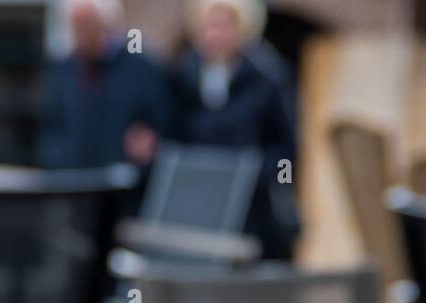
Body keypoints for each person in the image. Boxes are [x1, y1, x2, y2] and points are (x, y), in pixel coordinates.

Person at [170, 0, 298, 259]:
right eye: (210, 26)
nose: (216, 35)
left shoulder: (266, 78)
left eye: (225, 26)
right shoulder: (183, 77)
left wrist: (257, 173)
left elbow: (286, 148)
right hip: (201, 201)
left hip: (253, 207)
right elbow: (174, 134)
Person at [38, 0, 170, 170]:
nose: (80, 34)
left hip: (124, 178)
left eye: (86, 25)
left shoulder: (141, 69)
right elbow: (53, 127)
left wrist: (148, 143)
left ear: (106, 24)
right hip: (75, 178)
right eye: (75, 26)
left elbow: (162, 123)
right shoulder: (65, 70)